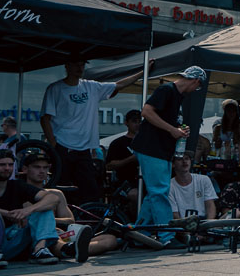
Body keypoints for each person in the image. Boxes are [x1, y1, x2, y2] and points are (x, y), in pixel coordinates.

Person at [40, 59, 142, 204]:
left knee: (91, 191)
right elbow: (45, 119)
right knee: (62, 189)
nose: (79, 67)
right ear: (67, 66)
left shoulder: (91, 86)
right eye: (76, 63)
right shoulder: (55, 89)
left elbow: (119, 85)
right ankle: (63, 221)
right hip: (63, 146)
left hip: (84, 149)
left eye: (82, 64)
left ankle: (86, 223)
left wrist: (144, 72)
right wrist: (54, 144)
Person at [131, 66, 207, 245]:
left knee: (155, 193)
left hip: (160, 150)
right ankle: (167, 236)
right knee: (159, 192)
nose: (195, 91)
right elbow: (147, 111)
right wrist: (172, 129)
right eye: (197, 87)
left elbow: (163, 121)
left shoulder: (176, 95)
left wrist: (179, 130)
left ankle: (138, 234)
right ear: (196, 81)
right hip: (152, 148)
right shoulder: (166, 90)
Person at [0, 149, 61, 269]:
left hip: (12, 239)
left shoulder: (17, 185)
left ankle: (39, 250)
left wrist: (28, 211)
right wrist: (6, 213)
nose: (7, 168)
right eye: (2, 165)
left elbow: (53, 198)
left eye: (10, 165)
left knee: (44, 208)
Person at [168, 152, 218, 226]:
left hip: (203, 224)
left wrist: (207, 226)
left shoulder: (204, 180)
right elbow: (175, 215)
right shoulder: (169, 185)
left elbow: (210, 206)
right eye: (180, 159)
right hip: (182, 227)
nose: (184, 161)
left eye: (187, 158)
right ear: (173, 164)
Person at [104, 109, 141, 188]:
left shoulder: (146, 143)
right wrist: (130, 159)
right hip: (124, 183)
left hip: (144, 182)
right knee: (135, 195)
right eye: (134, 121)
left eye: (139, 121)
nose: (137, 124)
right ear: (126, 123)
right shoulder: (117, 143)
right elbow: (109, 165)